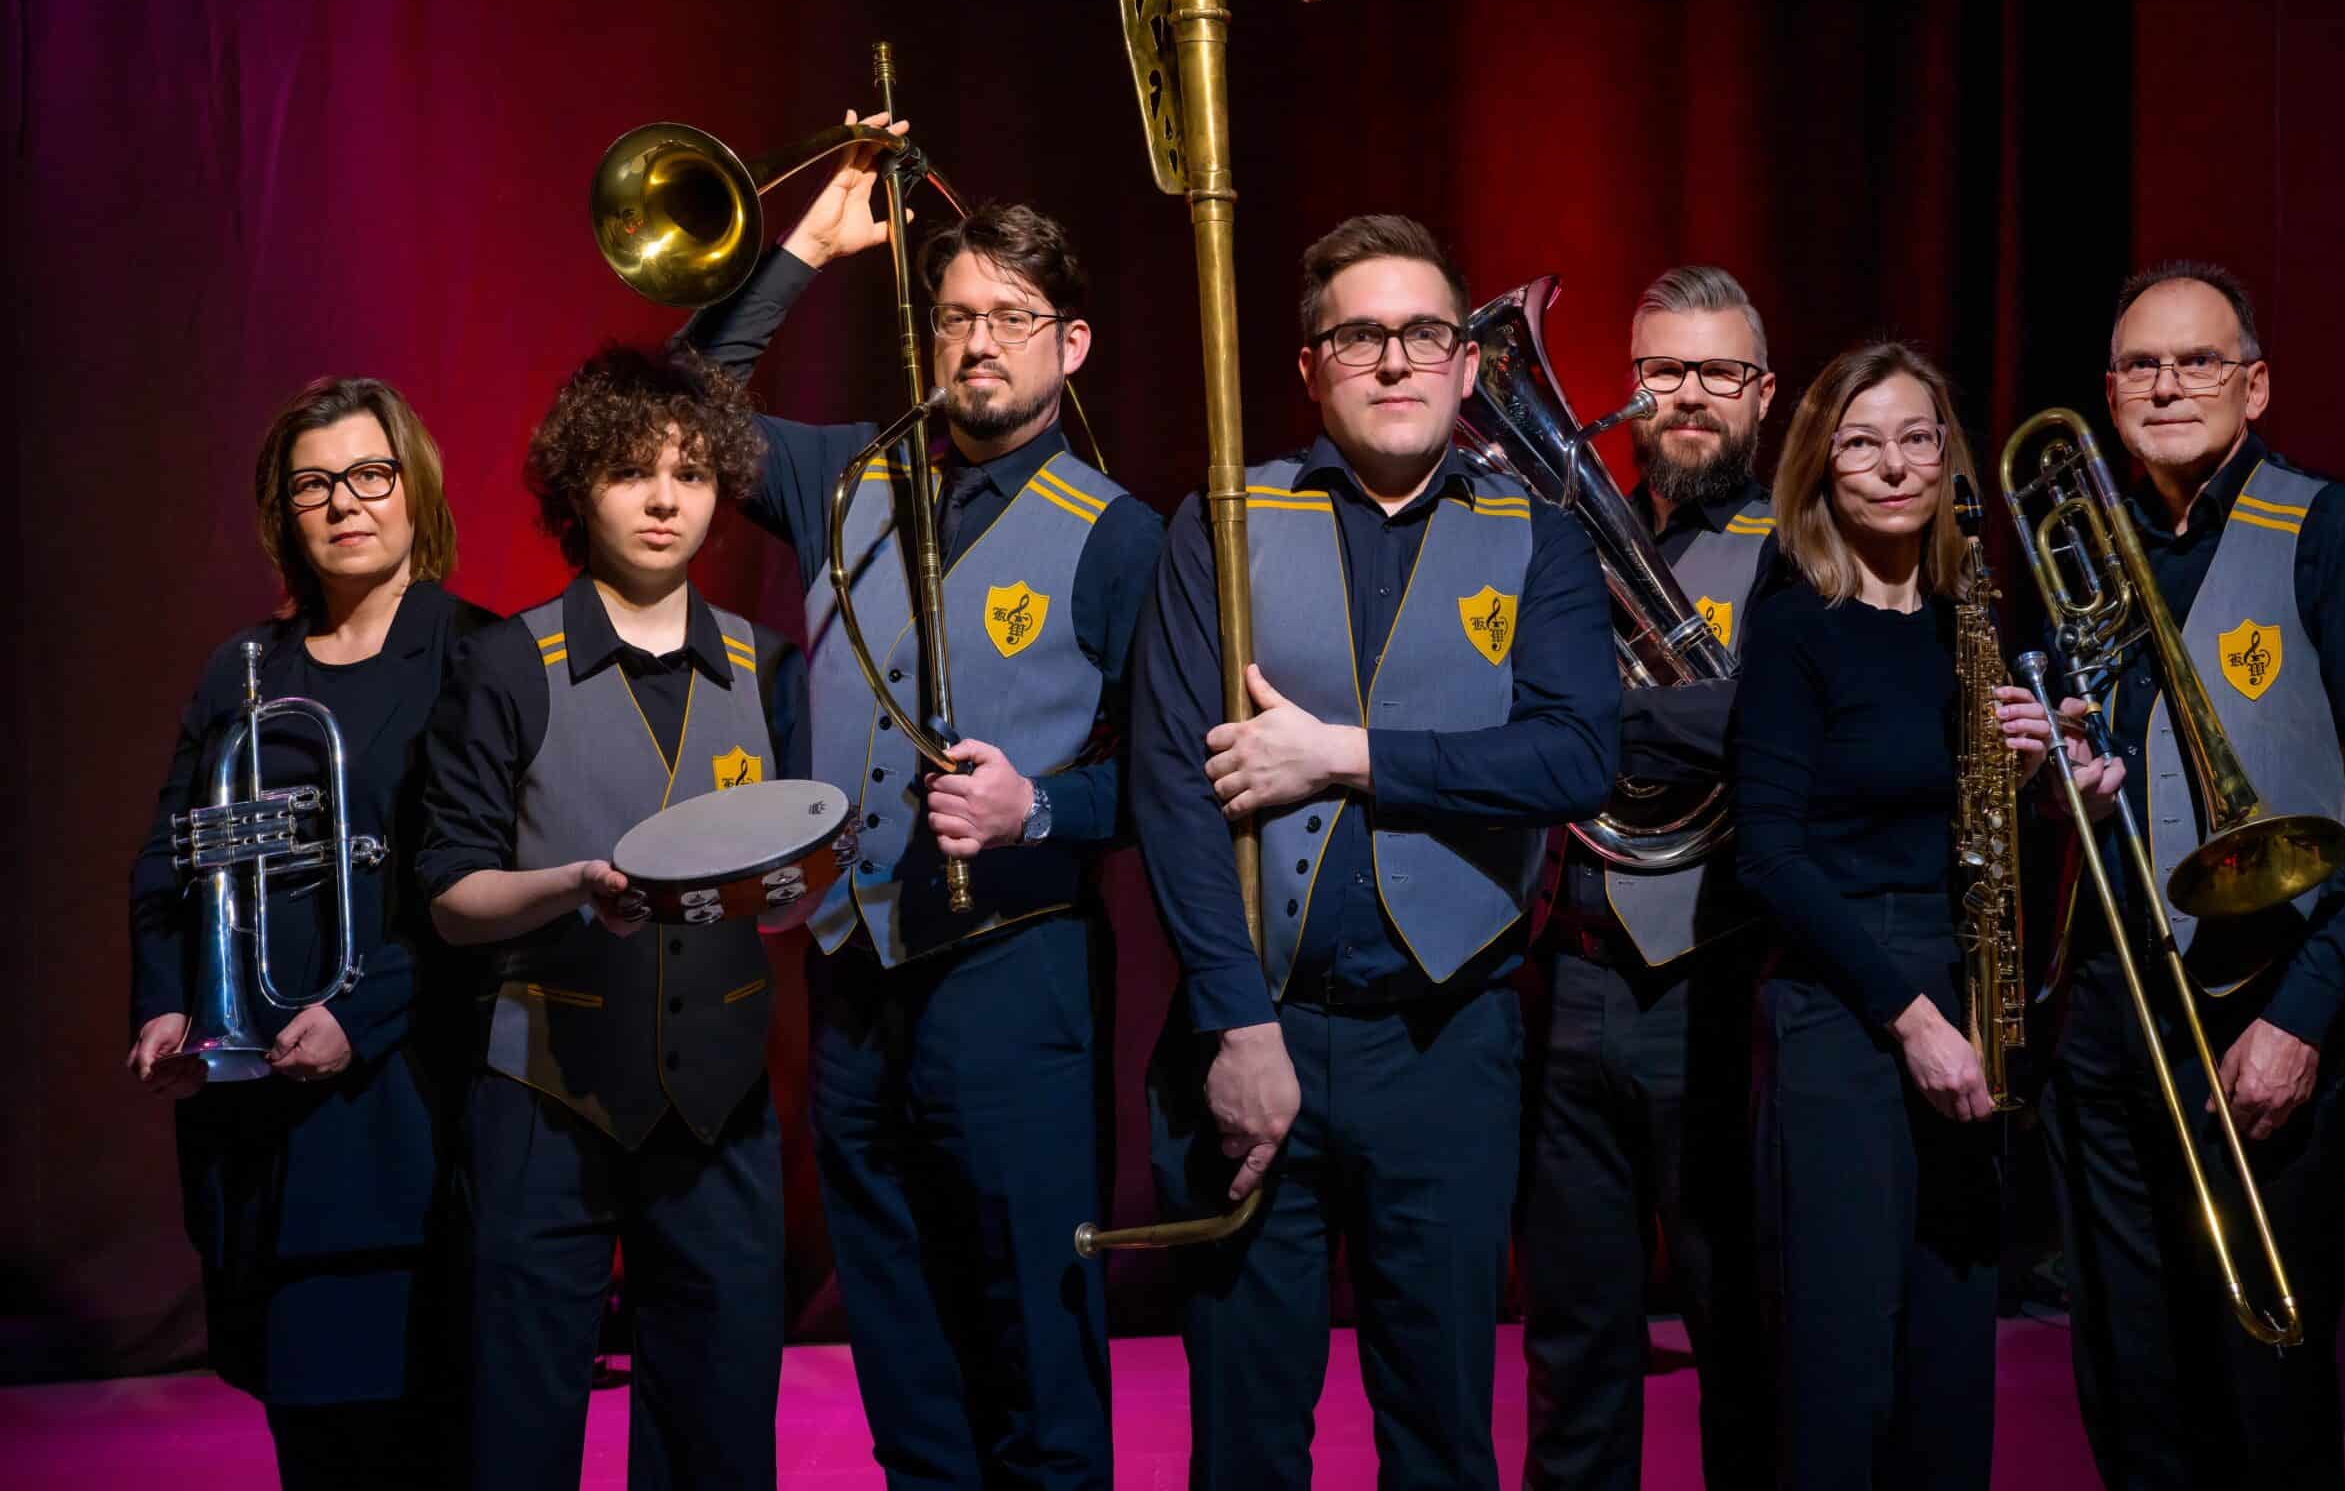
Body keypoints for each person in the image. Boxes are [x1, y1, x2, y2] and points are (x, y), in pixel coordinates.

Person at [680, 138, 1158, 1490]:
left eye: (1011, 316)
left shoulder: (1120, 533)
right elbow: (681, 406)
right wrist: (805, 248)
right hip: (854, 985)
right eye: (955, 315)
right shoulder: (848, 475)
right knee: (902, 1349)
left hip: (1015, 980)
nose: (979, 341)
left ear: (1071, 345)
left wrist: (1038, 809)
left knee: (1035, 1355)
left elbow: (1173, 780)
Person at [1132, 213, 1621, 1491]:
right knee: (1244, 1449)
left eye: (1422, 334)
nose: (1395, 360)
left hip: (1447, 1044)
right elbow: (1171, 793)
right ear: (1310, 368)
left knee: (1443, 1437)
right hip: (1252, 1037)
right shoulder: (1221, 521)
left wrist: (1345, 756)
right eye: (1359, 336)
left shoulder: (1542, 534)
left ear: (1465, 362)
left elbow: (1576, 758)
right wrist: (1238, 1027)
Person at [2037, 261, 2345, 1490]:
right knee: (2129, 1379)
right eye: (2140, 366)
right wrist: (2064, 767)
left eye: (2197, 361)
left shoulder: (2341, 539)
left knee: (2260, 1386)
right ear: (2109, 393)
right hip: (2108, 1019)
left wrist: (2301, 1018)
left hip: (2255, 1011)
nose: (2167, 386)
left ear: (2254, 386)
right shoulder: (2089, 550)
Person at [418, 344, 807, 1491]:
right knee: (519, 1426)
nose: (663, 500)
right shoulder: (506, 663)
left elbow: (799, 900)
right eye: (631, 471)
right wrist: (572, 886)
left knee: (717, 1434)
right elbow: (449, 898)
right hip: (545, 1090)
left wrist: (796, 895)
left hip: (718, 1095)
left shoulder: (770, 669)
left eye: (690, 474)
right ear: (576, 487)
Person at [1731, 340, 2115, 1490]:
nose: (1894, 466)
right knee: (1842, 1368)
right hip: (1844, 1002)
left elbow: (1977, 838)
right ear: (1819, 466)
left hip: (1966, 986)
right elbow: (1769, 857)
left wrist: (2042, 777)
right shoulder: (1796, 627)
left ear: (1946, 454)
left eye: (1915, 438)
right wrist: (1911, 1019)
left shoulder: (1970, 617)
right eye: (1861, 444)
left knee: (1951, 1359)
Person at [127, 375, 489, 1489]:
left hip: (405, 1107)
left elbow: (483, 892)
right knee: (315, 1448)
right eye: (312, 485)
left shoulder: (479, 654)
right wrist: (168, 1003)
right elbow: (170, 862)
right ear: (283, 513)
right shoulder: (242, 671)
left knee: (422, 1440)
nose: (344, 503)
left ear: (415, 488)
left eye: (370, 475)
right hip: (259, 1120)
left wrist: (359, 1012)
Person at [1516, 263, 1782, 1488]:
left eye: (1718, 372)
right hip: (1571, 983)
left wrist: (1592, 727)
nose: (1687, 395)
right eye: (1662, 370)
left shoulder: (1806, 551)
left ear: (1763, 394)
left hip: (1725, 987)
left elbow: (1778, 728)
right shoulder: (1559, 543)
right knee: (1572, 1352)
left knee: (1748, 1340)